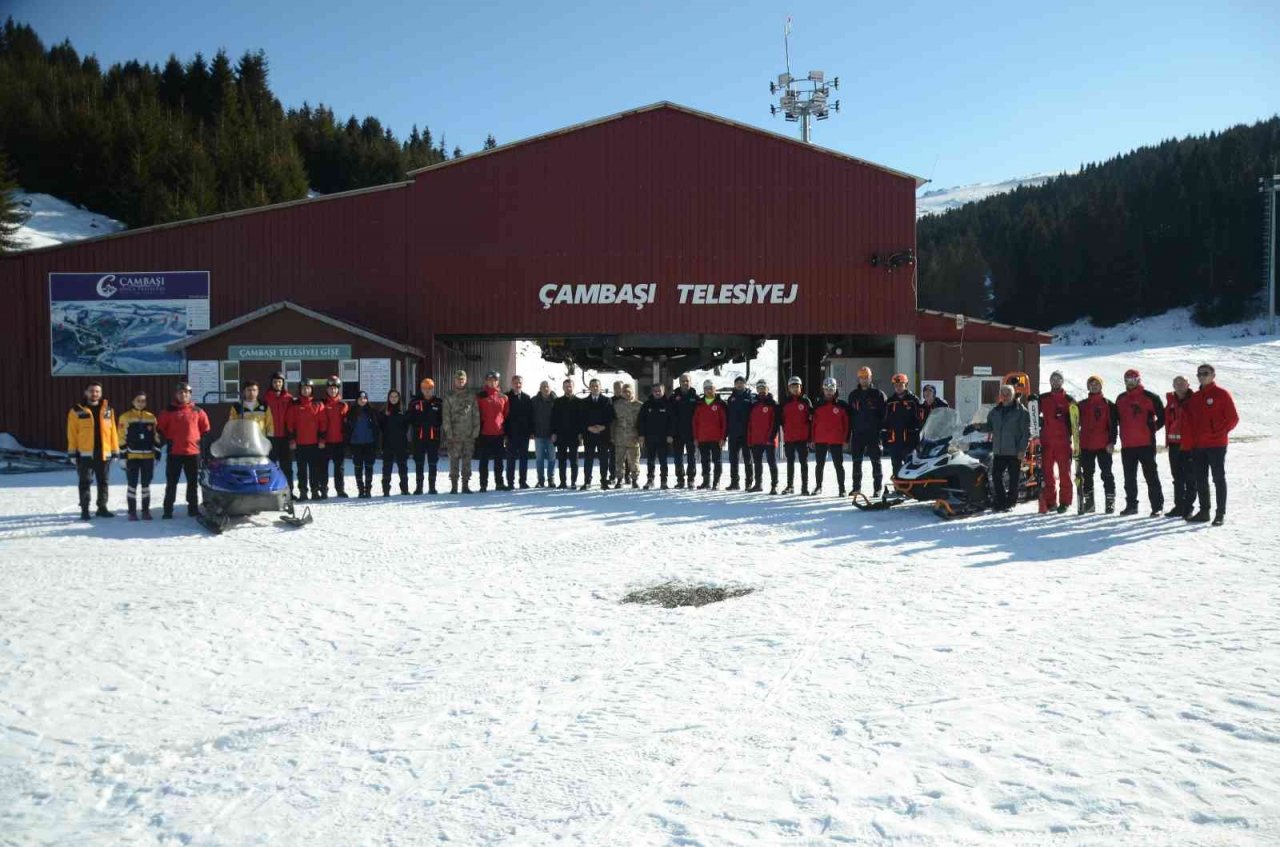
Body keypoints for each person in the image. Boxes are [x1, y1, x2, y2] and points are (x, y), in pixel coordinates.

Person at [1184, 363, 1238, 526]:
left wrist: (1219, 433)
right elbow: (1191, 422)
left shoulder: (1222, 394)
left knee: (1218, 478)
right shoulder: (1195, 397)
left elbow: (1233, 418)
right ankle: (1204, 511)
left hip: (1216, 445)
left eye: (1205, 373)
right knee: (1201, 479)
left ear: (1213, 375)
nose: (1202, 376)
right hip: (1198, 445)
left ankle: (1220, 513)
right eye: (1199, 374)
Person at [156, 381, 210, 518]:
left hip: (193, 453)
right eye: (180, 392)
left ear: (190, 394)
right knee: (171, 483)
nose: (183, 394)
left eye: (186, 392)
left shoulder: (198, 411)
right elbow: (160, 429)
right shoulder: (167, 411)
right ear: (176, 394)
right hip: (175, 453)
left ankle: (193, 509)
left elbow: (205, 429)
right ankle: (168, 510)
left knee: (192, 483)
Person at [1115, 368, 1165, 516]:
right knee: (1129, 478)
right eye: (1127, 380)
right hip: (1127, 445)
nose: (1130, 383)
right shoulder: (1121, 398)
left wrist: (1152, 428)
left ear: (1138, 380)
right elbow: (1114, 420)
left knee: (1151, 476)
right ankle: (1131, 505)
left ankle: (1157, 506)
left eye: (1133, 380)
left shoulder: (1150, 397)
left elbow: (1162, 417)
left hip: (1146, 444)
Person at [67, 380, 119, 520]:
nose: (94, 394)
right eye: (91, 391)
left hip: (103, 453)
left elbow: (113, 430)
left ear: (101, 393)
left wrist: (115, 450)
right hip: (84, 455)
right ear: (86, 392)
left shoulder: (108, 410)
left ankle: (102, 508)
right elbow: (72, 433)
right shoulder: (77, 410)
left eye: (97, 391)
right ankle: (85, 509)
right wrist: (72, 452)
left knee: (103, 482)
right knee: (85, 483)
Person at [977, 385, 1030, 511]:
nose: (1005, 396)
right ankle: (1001, 501)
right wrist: (978, 426)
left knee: (1013, 479)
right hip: (999, 450)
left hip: (1014, 451)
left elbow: (1025, 433)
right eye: (1003, 394)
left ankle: (1011, 503)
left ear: (1013, 395)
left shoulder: (1021, 412)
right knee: (996, 476)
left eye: (1008, 394)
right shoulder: (995, 412)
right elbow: (990, 427)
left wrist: (1022, 450)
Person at [1036, 370, 1078, 514]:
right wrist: (1031, 400)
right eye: (1053, 379)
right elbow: (1034, 412)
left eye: (1058, 379)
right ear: (1050, 381)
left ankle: (1065, 502)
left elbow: (1076, 421)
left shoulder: (1069, 400)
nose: (1055, 381)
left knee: (1064, 473)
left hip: (1063, 443)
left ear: (1062, 381)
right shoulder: (1044, 398)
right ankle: (1050, 502)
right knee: (1047, 473)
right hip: (1047, 441)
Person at [1075, 375, 1118, 514]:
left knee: (1106, 474)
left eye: (1097, 384)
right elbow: (1073, 423)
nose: (1094, 386)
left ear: (1101, 386)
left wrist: (1112, 442)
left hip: (1103, 445)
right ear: (1088, 386)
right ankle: (1090, 503)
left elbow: (1113, 426)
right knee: (1087, 474)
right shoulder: (1081, 405)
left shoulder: (1108, 404)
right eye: (1091, 384)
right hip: (1086, 445)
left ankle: (1110, 503)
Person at [116, 389, 159, 521]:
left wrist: (157, 453)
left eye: (143, 401)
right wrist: (123, 456)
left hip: (148, 457)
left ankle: (146, 511)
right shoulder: (125, 417)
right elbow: (121, 437)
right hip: (132, 456)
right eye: (138, 400)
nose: (141, 403)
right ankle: (132, 512)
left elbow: (156, 436)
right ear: (133, 401)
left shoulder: (151, 417)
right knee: (132, 484)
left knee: (146, 484)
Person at [847, 367, 887, 497]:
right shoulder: (853, 395)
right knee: (856, 462)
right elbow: (850, 415)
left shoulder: (878, 394)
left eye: (866, 377)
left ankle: (877, 488)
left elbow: (884, 415)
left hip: (873, 434)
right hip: (858, 434)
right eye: (862, 377)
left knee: (876, 462)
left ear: (870, 378)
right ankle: (856, 488)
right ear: (858, 379)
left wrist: (881, 431)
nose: (864, 380)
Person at [286, 382, 327, 501]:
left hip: (314, 443)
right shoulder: (295, 404)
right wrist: (292, 439)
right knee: (301, 470)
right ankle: (303, 491)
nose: (306, 391)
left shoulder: (318, 404)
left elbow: (323, 423)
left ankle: (315, 491)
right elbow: (290, 423)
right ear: (300, 390)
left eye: (308, 388)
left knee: (314, 469)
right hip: (299, 443)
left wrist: (322, 439)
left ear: (312, 389)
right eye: (303, 388)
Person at [442, 369, 481, 494]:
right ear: (455, 380)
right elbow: (446, 416)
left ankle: (465, 485)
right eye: (458, 379)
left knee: (467, 460)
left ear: (466, 380)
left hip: (468, 435)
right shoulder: (449, 396)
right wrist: (449, 433)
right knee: (454, 460)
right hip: (454, 435)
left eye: (462, 379)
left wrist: (476, 430)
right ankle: (454, 486)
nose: (460, 381)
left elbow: (476, 414)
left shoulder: (471, 395)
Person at [811, 377, 851, 496]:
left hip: (836, 439)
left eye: (831, 389)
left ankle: (842, 488)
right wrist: (812, 439)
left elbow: (847, 424)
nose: (829, 392)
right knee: (819, 464)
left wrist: (846, 439)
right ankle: (818, 487)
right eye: (826, 389)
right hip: (820, 439)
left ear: (835, 390)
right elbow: (813, 423)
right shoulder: (817, 405)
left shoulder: (842, 405)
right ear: (823, 390)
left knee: (838, 465)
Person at [1164, 375, 1195, 519]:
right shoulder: (1170, 401)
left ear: (1188, 384)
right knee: (1177, 477)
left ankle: (1188, 507)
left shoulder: (1195, 400)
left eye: (1182, 383)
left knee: (1190, 477)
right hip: (1174, 445)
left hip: (1190, 445)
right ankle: (1179, 506)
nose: (1179, 385)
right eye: (1176, 383)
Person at [475, 370, 510, 492]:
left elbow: (505, 415)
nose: (492, 382)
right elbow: (476, 414)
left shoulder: (503, 397)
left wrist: (504, 431)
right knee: (484, 460)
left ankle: (499, 483)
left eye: (494, 380)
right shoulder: (480, 396)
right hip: (485, 433)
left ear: (498, 382)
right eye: (490, 380)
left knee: (499, 461)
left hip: (498, 434)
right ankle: (483, 484)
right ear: (486, 381)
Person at [407, 377, 443, 495]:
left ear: (433, 389)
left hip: (434, 437)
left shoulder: (438, 402)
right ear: (421, 389)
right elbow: (410, 418)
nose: (427, 391)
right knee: (419, 462)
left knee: (433, 462)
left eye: (430, 388)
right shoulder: (415, 402)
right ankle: (419, 487)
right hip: (419, 437)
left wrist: (437, 426)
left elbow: (442, 418)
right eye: (425, 388)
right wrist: (417, 425)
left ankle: (432, 487)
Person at [779, 376, 813, 495]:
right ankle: (790, 486)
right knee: (790, 462)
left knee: (804, 463)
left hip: (802, 438)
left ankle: (805, 487)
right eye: (792, 386)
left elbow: (811, 419)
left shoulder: (806, 401)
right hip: (789, 438)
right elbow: (781, 419)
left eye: (797, 386)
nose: (795, 388)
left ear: (800, 387)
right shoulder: (784, 402)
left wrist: (810, 437)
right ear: (789, 388)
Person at [692, 379, 728, 489]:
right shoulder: (699, 404)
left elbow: (724, 422)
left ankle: (716, 482)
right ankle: (706, 481)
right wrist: (696, 437)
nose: (709, 390)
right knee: (704, 461)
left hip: (716, 439)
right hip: (703, 438)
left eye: (711, 388)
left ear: (715, 389)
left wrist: (723, 437)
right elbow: (695, 422)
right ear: (704, 390)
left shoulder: (720, 404)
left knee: (717, 460)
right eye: (706, 388)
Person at [580, 378, 615, 490]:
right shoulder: (584, 402)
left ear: (600, 387)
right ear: (589, 388)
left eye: (597, 386)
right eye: (593, 386)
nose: (595, 388)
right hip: (589, 434)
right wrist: (588, 427)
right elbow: (581, 417)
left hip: (603, 435)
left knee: (604, 459)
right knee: (588, 459)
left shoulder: (607, 401)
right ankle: (587, 481)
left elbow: (611, 416)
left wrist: (603, 426)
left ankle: (604, 481)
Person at [263, 372, 295, 496]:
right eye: (275, 382)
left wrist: (292, 435)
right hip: (270, 437)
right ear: (271, 383)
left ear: (283, 383)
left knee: (287, 467)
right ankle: (270, 492)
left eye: (280, 382)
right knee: (270, 466)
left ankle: (289, 491)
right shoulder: (265, 398)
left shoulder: (289, 398)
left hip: (285, 437)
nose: (277, 384)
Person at [883, 373, 921, 477]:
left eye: (900, 385)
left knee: (910, 465)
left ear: (906, 385)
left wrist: (917, 436)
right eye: (896, 385)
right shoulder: (890, 401)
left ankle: (911, 489)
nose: (898, 388)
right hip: (894, 440)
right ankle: (898, 489)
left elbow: (919, 419)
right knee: (896, 465)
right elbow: (885, 421)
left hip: (909, 439)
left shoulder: (913, 400)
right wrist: (885, 438)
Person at [747, 379, 780, 494]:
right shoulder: (754, 404)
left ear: (767, 389)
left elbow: (775, 423)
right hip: (756, 439)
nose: (761, 390)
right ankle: (758, 484)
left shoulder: (773, 404)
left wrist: (771, 437)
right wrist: (750, 439)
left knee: (771, 462)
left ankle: (774, 485)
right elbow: (750, 423)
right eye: (759, 388)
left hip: (769, 439)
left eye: (763, 388)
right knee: (757, 462)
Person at [639, 382, 674, 489]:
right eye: (655, 391)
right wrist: (641, 435)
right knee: (650, 460)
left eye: (659, 391)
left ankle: (664, 480)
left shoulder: (668, 404)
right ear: (652, 392)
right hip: (650, 437)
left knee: (663, 461)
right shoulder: (647, 404)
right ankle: (650, 480)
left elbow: (672, 421)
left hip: (663, 438)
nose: (657, 393)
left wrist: (670, 434)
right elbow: (641, 421)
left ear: (663, 391)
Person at [345, 391, 379, 498]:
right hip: (356, 444)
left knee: (369, 467)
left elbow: (377, 428)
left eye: (365, 398)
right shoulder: (351, 412)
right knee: (358, 467)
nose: (363, 400)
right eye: (360, 398)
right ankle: (360, 489)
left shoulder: (372, 412)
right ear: (357, 400)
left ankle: (368, 489)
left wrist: (377, 444)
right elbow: (347, 428)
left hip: (369, 443)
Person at [319, 376, 350, 498]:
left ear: (338, 390)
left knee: (339, 468)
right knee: (323, 468)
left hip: (339, 441)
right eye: (331, 388)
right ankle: (323, 490)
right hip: (325, 441)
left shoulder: (343, 405)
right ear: (327, 389)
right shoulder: (322, 404)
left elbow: (347, 423)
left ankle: (340, 489)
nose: (333, 391)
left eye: (335, 389)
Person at [379, 389, 412, 497]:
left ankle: (405, 489)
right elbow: (381, 428)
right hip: (388, 444)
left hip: (401, 444)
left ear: (399, 398)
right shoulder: (384, 412)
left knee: (403, 468)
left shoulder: (403, 412)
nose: (393, 398)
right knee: (387, 468)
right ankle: (386, 490)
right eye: (391, 396)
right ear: (388, 398)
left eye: (395, 397)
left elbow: (406, 427)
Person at [725, 376, 755, 491]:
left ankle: (749, 482)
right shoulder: (731, 398)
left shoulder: (750, 398)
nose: (739, 384)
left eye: (741, 383)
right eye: (737, 383)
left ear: (745, 384)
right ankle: (734, 482)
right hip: (733, 433)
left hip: (746, 433)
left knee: (747, 459)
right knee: (733, 459)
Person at [551, 378, 582, 488]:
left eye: (570, 386)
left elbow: (581, 419)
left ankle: (573, 481)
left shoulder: (579, 402)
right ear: (563, 388)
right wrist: (554, 433)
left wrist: (580, 434)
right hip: (561, 435)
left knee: (574, 460)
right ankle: (563, 482)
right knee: (562, 460)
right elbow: (553, 418)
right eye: (566, 386)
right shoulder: (558, 401)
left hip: (574, 435)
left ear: (573, 387)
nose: (568, 388)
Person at [670, 373, 699, 488]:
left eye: (687, 381)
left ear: (690, 382)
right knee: (678, 457)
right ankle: (680, 479)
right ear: (679, 382)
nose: (685, 383)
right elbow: (670, 416)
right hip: (677, 433)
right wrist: (670, 433)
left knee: (691, 457)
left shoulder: (695, 398)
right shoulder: (673, 398)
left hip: (691, 433)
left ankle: (691, 479)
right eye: (683, 381)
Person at [504, 375, 534, 489]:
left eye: (520, 383)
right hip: (511, 434)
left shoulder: (527, 398)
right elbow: (504, 417)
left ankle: (523, 481)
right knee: (511, 459)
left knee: (523, 459)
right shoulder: (506, 397)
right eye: (516, 382)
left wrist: (531, 431)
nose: (518, 385)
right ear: (512, 383)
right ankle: (510, 482)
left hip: (524, 434)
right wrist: (505, 434)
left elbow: (530, 416)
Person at [612, 383, 643, 488]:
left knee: (634, 461)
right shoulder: (616, 405)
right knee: (619, 461)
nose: (627, 393)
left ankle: (634, 479)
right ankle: (619, 479)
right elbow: (613, 422)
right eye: (624, 392)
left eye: (629, 391)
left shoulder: (639, 405)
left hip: (633, 438)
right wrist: (612, 436)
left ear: (633, 392)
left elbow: (642, 422)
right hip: (620, 437)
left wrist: (641, 436)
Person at [531, 380, 557, 487]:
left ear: (550, 388)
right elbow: (531, 417)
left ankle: (551, 478)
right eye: (543, 387)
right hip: (538, 435)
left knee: (552, 458)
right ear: (539, 388)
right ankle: (540, 480)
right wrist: (532, 431)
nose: (545, 388)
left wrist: (555, 432)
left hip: (551, 435)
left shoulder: (556, 401)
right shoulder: (534, 401)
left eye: (547, 387)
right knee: (539, 459)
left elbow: (557, 419)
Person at [609, 379, 627, 486]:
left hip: (626, 433)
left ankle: (627, 475)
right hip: (614, 432)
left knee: (627, 456)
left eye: (619, 388)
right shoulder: (610, 401)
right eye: (615, 388)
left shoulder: (627, 401)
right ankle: (612, 475)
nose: (617, 390)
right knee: (613, 456)